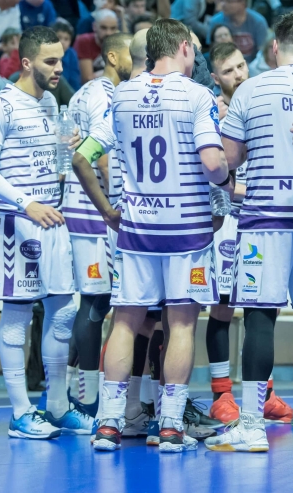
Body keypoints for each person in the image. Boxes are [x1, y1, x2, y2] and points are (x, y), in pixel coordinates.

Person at [72, 18, 231, 452]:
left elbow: (84, 157)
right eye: (194, 49)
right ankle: (171, 425)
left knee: (124, 321)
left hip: (137, 228)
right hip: (187, 230)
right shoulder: (197, 96)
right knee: (181, 325)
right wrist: (229, 182)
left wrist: (108, 211)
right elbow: (214, 164)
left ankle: (108, 422)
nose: (195, 56)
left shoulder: (120, 95)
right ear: (181, 47)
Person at [204, 11, 293, 453]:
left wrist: (230, 181)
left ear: (274, 47)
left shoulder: (252, 88)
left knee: (261, 318)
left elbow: (226, 160)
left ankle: (250, 424)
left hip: (266, 217)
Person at [0, 26, 80, 440]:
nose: (59, 68)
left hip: (52, 220)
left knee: (63, 311)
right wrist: (26, 203)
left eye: (62, 59)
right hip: (18, 223)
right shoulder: (0, 105)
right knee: (17, 317)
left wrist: (65, 154)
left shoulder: (52, 102)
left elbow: (50, 160)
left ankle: (55, 405)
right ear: (26, 62)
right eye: (50, 61)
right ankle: (20, 413)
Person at [59, 32, 132, 433]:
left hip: (85, 207)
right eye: (129, 56)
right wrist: (114, 203)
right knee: (95, 302)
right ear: (112, 56)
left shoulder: (85, 92)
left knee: (95, 302)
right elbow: (99, 155)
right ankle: (86, 399)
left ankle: (75, 389)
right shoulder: (105, 95)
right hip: (94, 210)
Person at [202, 40, 256, 425]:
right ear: (216, 77)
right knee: (222, 308)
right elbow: (213, 176)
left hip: (260, 219)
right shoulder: (212, 113)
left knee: (261, 307)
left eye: (241, 66)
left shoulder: (261, 101)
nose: (238, 74)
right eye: (230, 71)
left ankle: (263, 393)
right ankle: (221, 395)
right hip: (224, 220)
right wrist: (246, 191)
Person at [75, 9, 120, 83]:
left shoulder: (120, 44)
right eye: (103, 28)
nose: (108, 33)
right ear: (94, 26)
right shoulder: (84, 41)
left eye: (113, 28)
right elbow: (87, 79)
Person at [53, 18, 81, 90]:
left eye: (66, 39)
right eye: (59, 37)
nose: (62, 42)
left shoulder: (72, 54)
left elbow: (74, 80)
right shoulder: (44, 52)